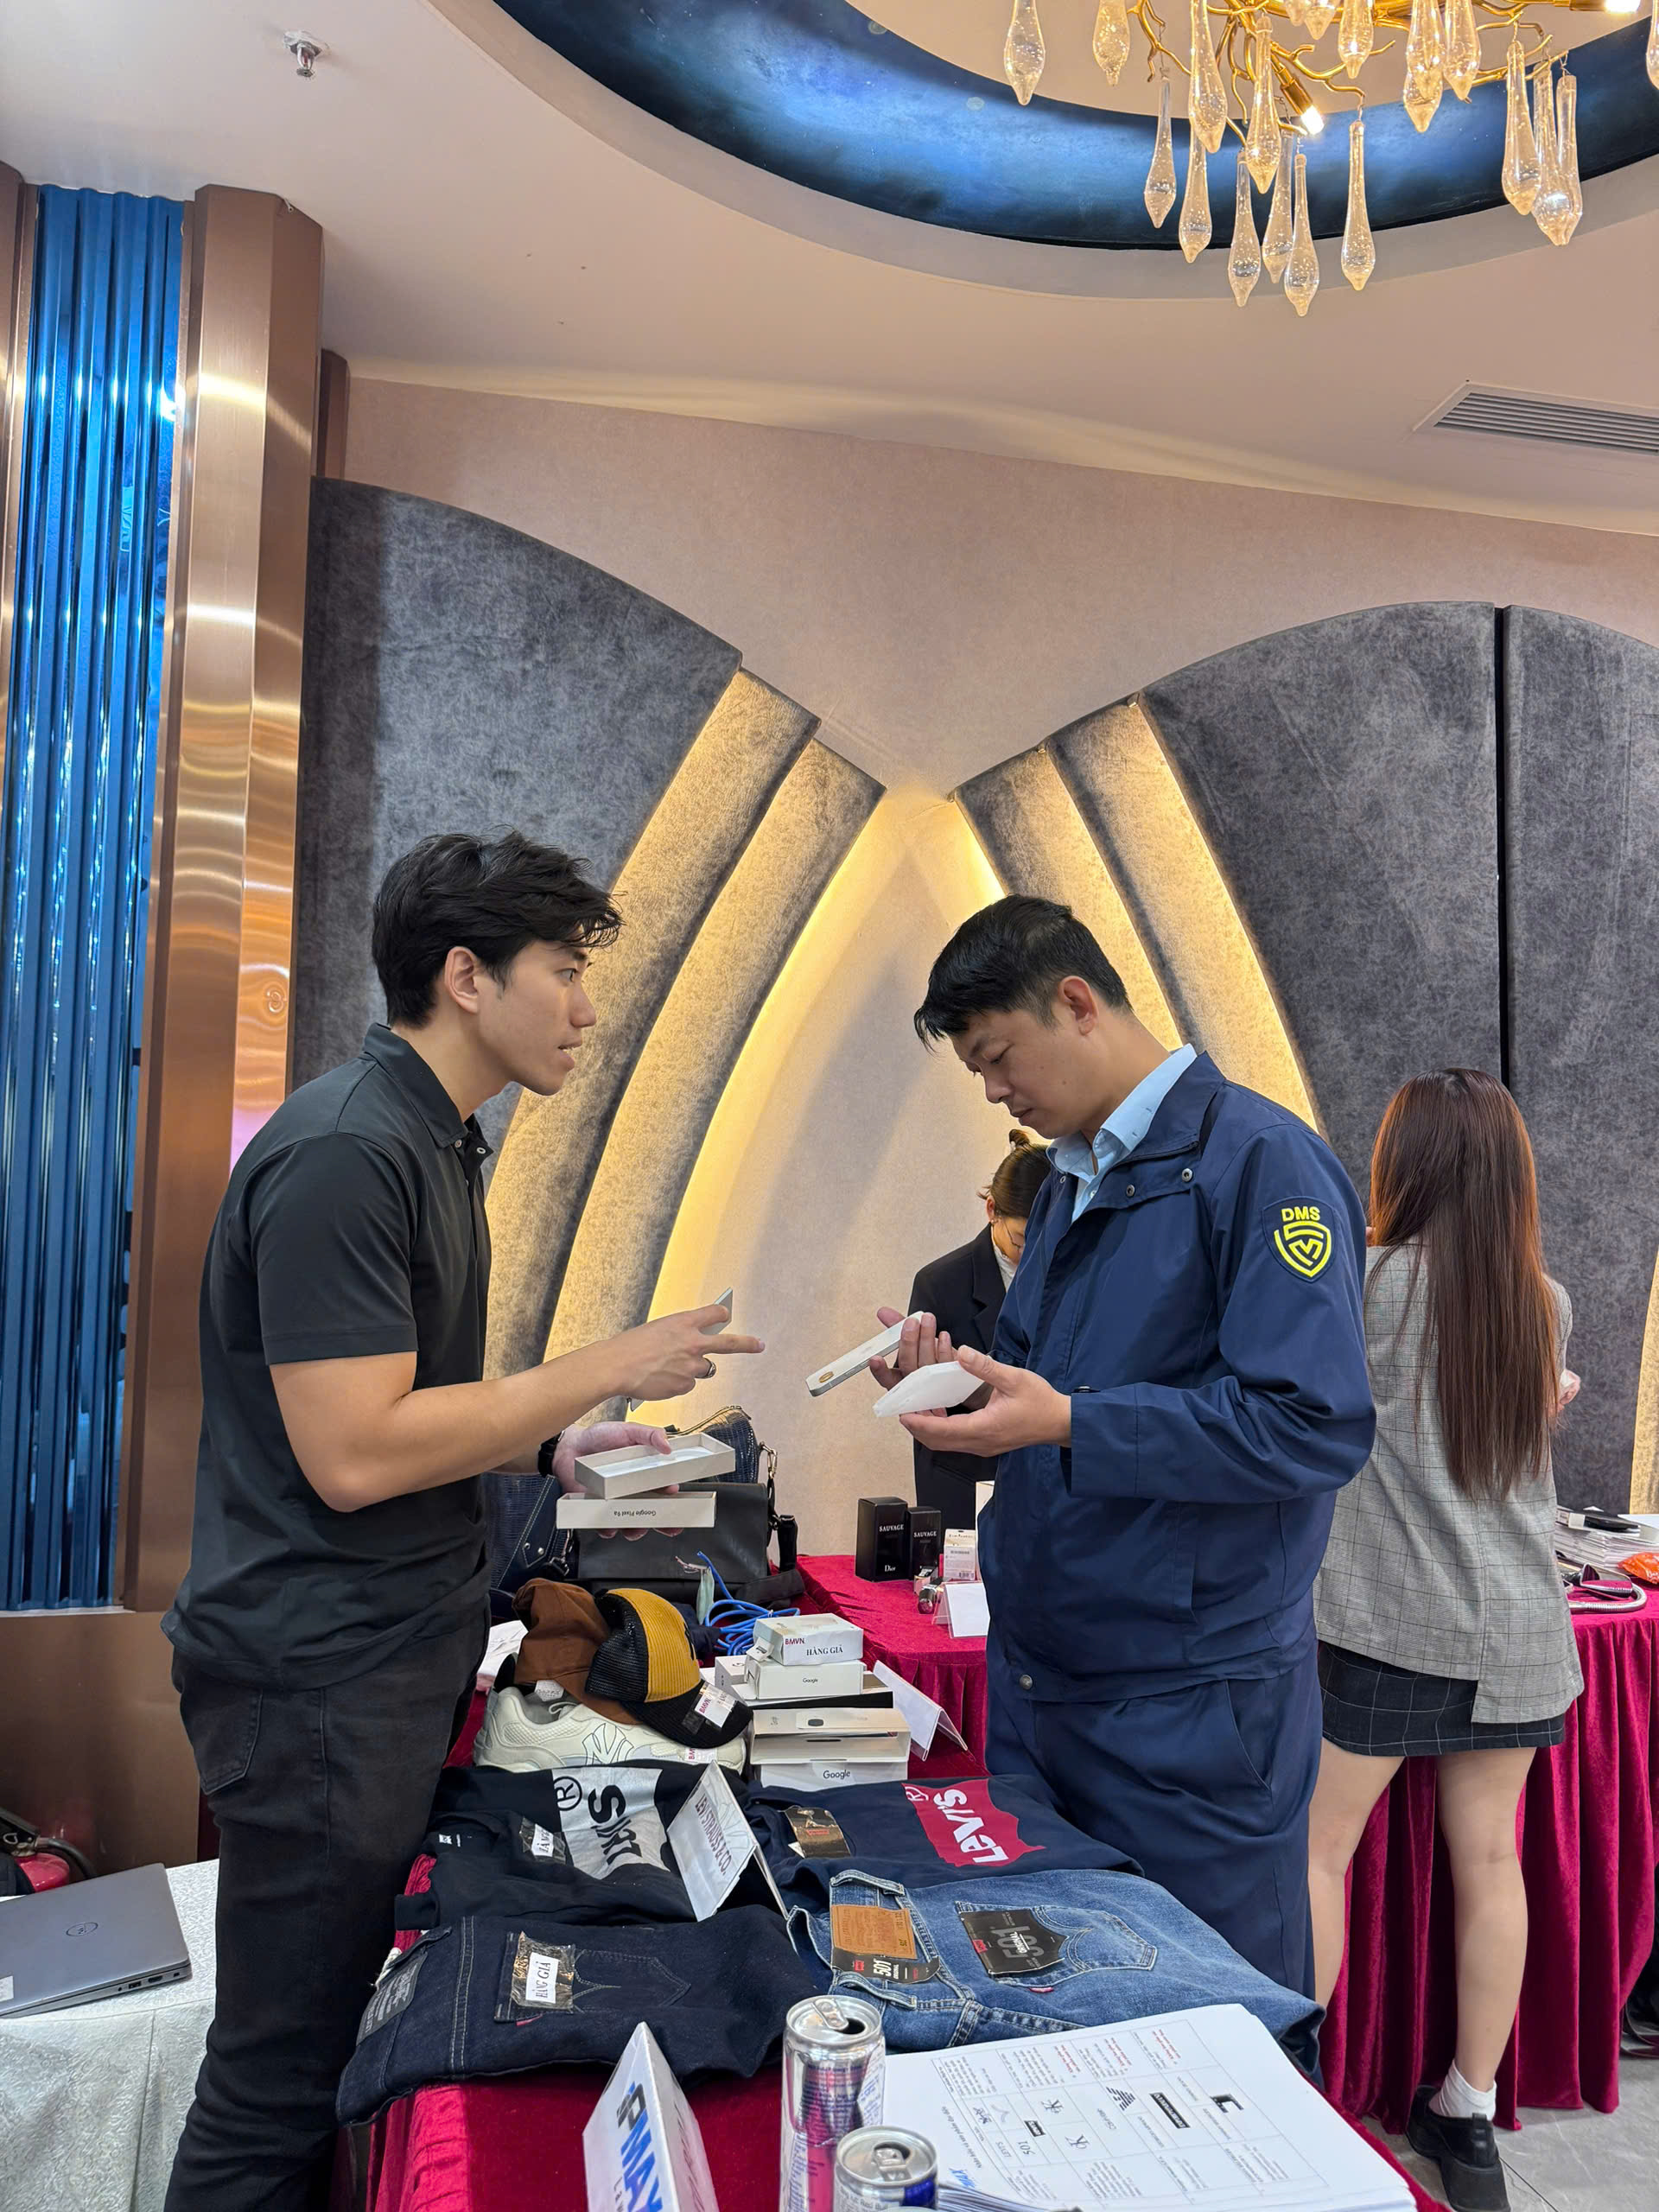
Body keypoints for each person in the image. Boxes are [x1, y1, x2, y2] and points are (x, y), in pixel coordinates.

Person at [162, 830, 763, 2212]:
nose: (587, 1009)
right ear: (466, 978)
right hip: (319, 1679)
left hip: (380, 1656)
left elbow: (408, 1403)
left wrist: (552, 1445)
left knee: (324, 2062)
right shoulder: (348, 1152)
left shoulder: (435, 1140)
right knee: (275, 2081)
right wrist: (603, 1363)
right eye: (564, 971)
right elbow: (354, 1453)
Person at [876, 894, 1375, 1995]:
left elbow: (1311, 1425)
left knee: (1214, 2019)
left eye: (998, 1057)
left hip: (1188, 1711)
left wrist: (1070, 1421)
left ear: (1076, 1002)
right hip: (1045, 1685)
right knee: (1061, 2011)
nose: (996, 1091)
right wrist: (957, 1383)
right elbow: (1046, 1390)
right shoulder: (1071, 1177)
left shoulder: (1264, 1164)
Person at [1307, 1069, 1581, 2212]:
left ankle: (1296, 2091)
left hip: (1387, 1618)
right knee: (1491, 1862)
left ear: (1402, 1163)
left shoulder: (1360, 1283)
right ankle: (1467, 2108)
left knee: (1319, 1853)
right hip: (1518, 1626)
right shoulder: (1541, 1301)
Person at [906, 1129, 1052, 1527]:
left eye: (1047, 1239)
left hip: (1053, 1480)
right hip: (969, 1483)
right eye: (1022, 1240)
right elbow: (923, 1404)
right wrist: (954, 1386)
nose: (1034, 1253)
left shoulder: (1074, 1274)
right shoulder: (940, 1283)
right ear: (992, 1211)